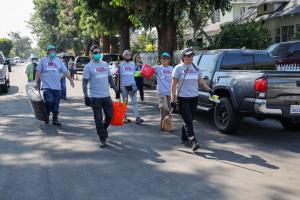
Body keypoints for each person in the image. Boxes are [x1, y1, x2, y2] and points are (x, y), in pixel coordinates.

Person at [171, 48, 213, 151]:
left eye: (191, 56)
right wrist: (172, 98)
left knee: (189, 119)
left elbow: (201, 82)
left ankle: (184, 137)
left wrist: (209, 90)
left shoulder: (196, 68)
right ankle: (193, 141)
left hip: (194, 97)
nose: (190, 58)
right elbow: (173, 85)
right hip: (182, 98)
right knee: (188, 120)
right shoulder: (178, 68)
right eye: (188, 56)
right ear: (183, 57)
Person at [82, 45, 118, 148]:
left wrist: (115, 89)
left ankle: (103, 128)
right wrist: (86, 96)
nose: (97, 54)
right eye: (95, 53)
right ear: (91, 54)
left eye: (98, 52)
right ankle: (102, 138)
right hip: (95, 97)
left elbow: (110, 78)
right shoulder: (88, 67)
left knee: (110, 116)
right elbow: (84, 82)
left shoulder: (105, 64)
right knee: (98, 118)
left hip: (106, 96)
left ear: (100, 53)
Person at [35, 44, 74, 126]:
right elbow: (38, 72)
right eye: (51, 50)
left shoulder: (59, 61)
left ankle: (55, 119)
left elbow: (65, 71)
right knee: (49, 102)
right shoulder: (43, 60)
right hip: (47, 87)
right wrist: (36, 82)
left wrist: (70, 79)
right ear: (48, 52)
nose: (52, 52)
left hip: (57, 87)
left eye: (54, 50)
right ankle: (46, 114)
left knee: (56, 104)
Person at [118, 50, 144, 124]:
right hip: (124, 86)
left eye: (129, 54)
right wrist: (118, 88)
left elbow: (134, 74)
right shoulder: (120, 65)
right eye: (126, 54)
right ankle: (124, 117)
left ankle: (138, 118)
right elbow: (118, 77)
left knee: (134, 102)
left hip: (132, 85)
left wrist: (140, 72)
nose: (128, 55)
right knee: (125, 102)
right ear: (124, 55)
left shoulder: (133, 64)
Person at [154, 52, 173, 130]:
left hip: (170, 92)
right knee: (164, 108)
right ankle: (163, 124)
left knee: (169, 110)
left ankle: (167, 125)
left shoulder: (172, 68)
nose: (164, 60)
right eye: (162, 58)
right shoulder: (158, 68)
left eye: (166, 59)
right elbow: (147, 69)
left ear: (168, 60)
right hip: (161, 92)